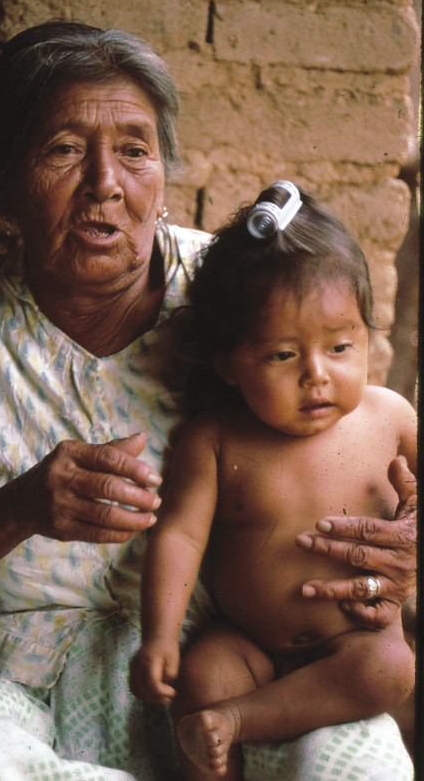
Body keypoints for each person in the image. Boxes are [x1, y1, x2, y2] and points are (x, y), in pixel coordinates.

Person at [0, 23, 417, 781]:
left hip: (224, 660)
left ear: (164, 175)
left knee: (359, 766)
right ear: (0, 188)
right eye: (60, 150)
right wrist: (17, 510)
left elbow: (353, 435)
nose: (104, 184)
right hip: (0, 669)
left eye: (134, 149)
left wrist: (400, 545)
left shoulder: (240, 294)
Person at [129, 181, 417, 781]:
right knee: (202, 677)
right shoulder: (215, 440)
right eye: (282, 356)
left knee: (391, 669)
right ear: (230, 364)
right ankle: (220, 748)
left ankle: (239, 720)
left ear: (369, 332)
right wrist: (158, 636)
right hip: (248, 643)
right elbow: (179, 537)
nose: (316, 374)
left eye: (340, 346)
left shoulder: (391, 418)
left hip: (353, 643)